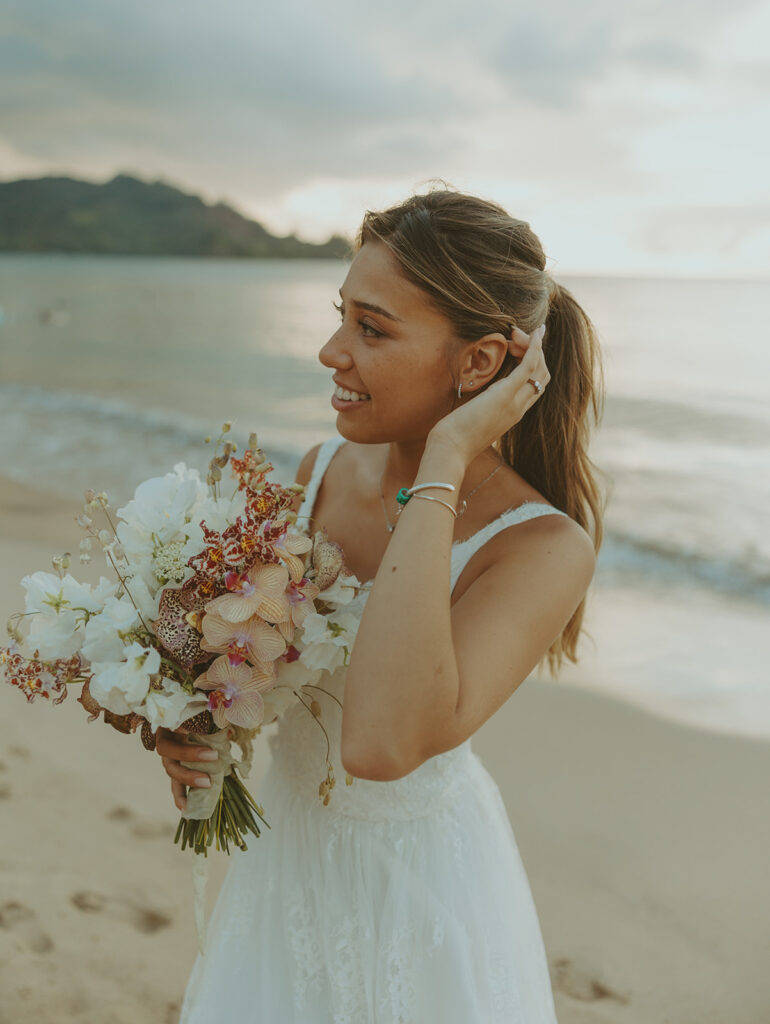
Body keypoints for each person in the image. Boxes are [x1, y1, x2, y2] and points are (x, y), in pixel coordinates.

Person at [158, 186, 605, 1022]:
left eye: (372, 328)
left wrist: (446, 456)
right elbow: (256, 661)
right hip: (285, 858)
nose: (331, 351)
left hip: (418, 893)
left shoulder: (540, 550)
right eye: (342, 316)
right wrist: (195, 725)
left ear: (477, 364)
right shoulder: (320, 472)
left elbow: (382, 741)